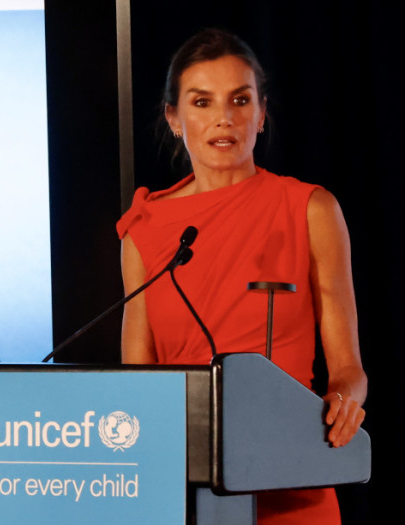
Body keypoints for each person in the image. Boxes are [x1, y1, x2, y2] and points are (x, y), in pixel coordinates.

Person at [117, 28, 366, 524]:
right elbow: (136, 382)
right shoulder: (143, 232)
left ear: (262, 111)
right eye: (203, 102)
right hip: (181, 481)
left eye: (239, 99)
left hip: (288, 473)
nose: (224, 118)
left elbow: (349, 370)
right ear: (173, 118)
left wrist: (343, 401)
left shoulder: (311, 209)